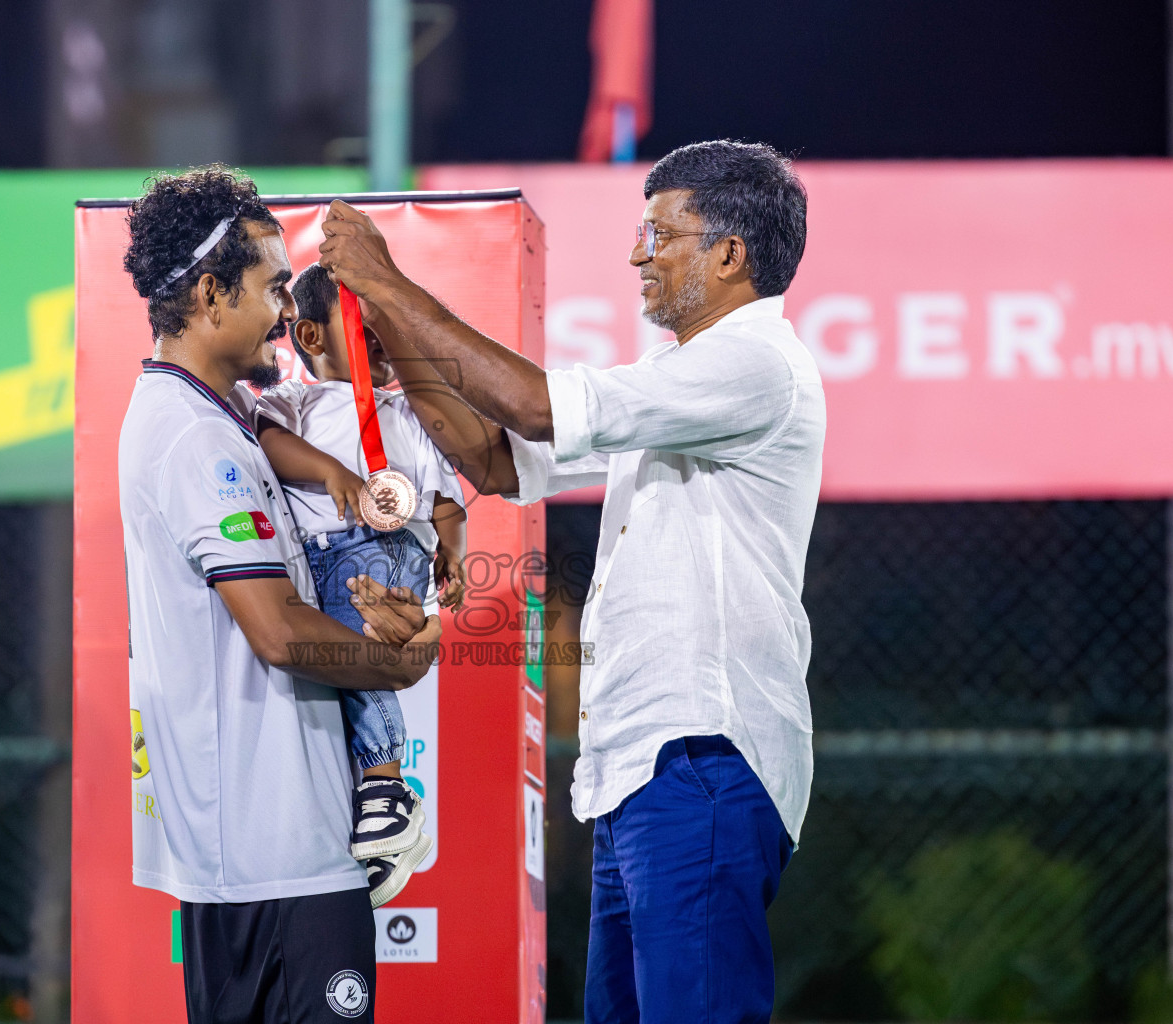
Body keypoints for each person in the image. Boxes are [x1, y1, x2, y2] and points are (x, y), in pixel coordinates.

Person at [318, 140, 824, 1024]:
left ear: (730, 255)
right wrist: (384, 325)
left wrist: (389, 283)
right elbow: (497, 460)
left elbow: (535, 407)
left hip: (701, 757)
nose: (637, 253)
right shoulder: (681, 384)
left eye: (659, 232)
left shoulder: (755, 365)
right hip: (639, 772)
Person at [118, 167, 441, 1024]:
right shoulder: (195, 438)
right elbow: (279, 633)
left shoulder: (222, 420)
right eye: (269, 289)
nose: (283, 314)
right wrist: (396, 665)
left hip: (275, 854)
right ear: (212, 296)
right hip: (274, 862)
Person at [253, 262, 467, 907]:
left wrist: (451, 554)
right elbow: (268, 442)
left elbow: (446, 500)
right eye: (366, 330)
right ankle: (370, 803)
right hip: (314, 559)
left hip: (386, 552)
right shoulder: (293, 400)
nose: (382, 344)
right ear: (313, 337)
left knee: (360, 643)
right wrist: (332, 473)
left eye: (387, 332)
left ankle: (384, 782)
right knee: (329, 664)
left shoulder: (408, 413)